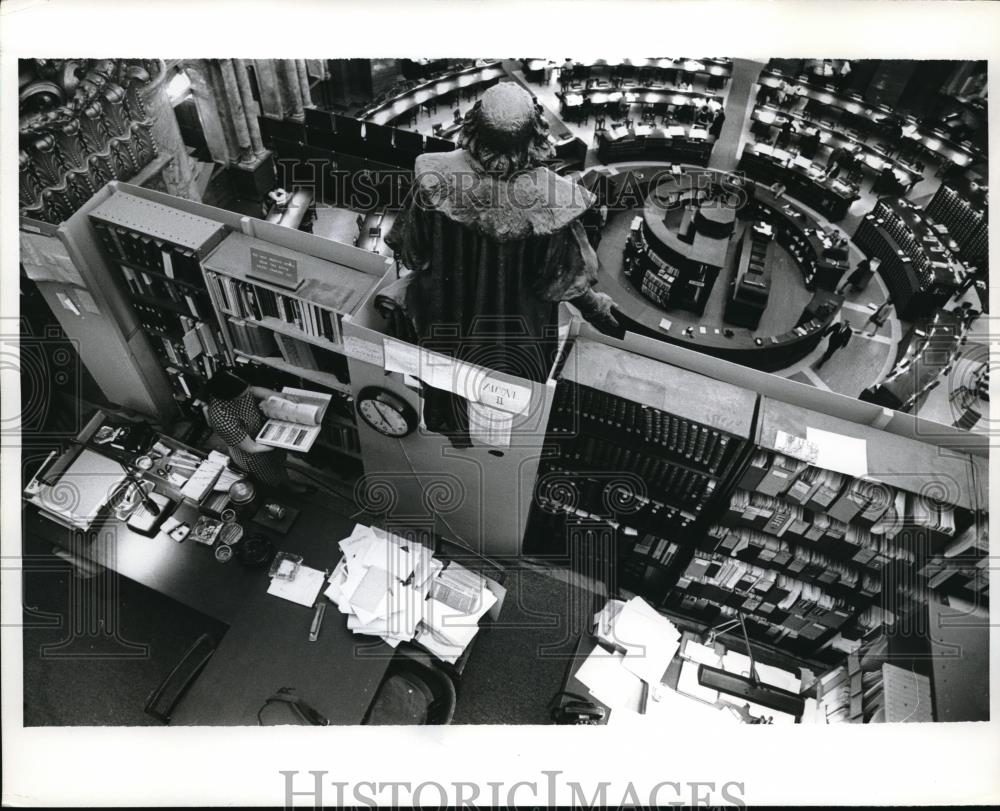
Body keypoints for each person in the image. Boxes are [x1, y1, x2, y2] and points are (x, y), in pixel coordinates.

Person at [384, 82, 621, 443]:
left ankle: (452, 436)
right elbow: (563, 282)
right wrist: (595, 307)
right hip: (516, 341)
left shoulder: (430, 174)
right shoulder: (557, 200)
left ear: (474, 126)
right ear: (536, 134)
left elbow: (412, 253)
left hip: (445, 322)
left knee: (448, 391)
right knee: (503, 417)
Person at [204, 371, 311, 494]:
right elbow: (252, 448)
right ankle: (281, 493)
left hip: (264, 436)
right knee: (270, 479)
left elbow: (253, 390)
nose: (248, 393)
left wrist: (282, 396)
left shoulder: (234, 386)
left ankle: (288, 484)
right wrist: (283, 441)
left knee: (279, 465)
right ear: (232, 397)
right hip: (252, 454)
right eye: (244, 394)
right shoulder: (221, 418)